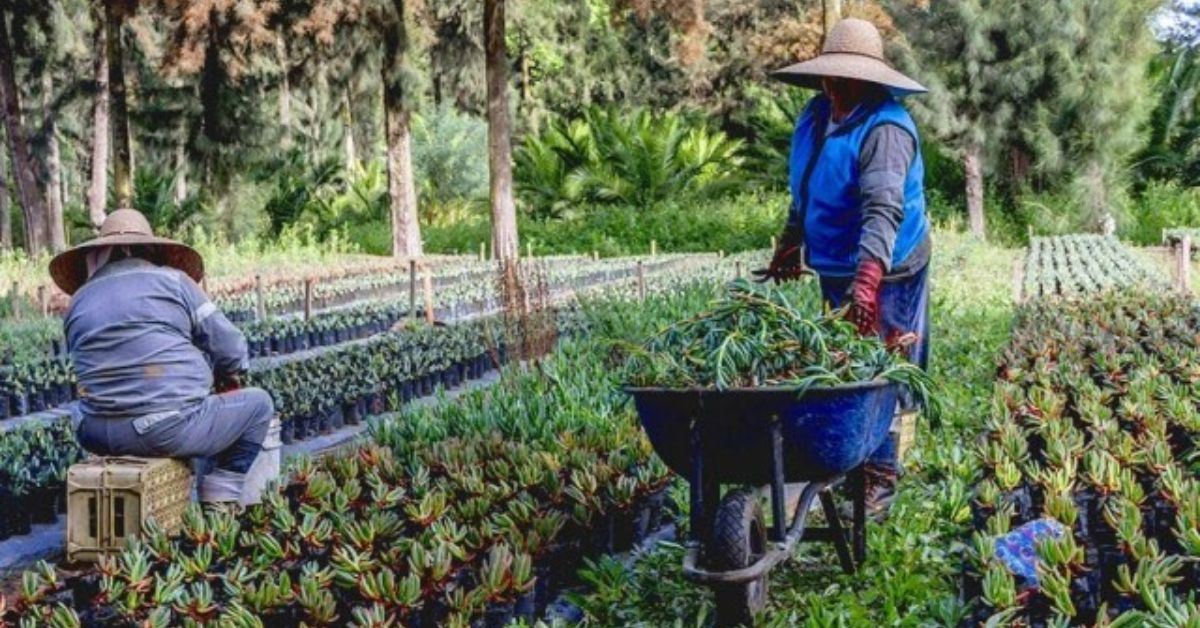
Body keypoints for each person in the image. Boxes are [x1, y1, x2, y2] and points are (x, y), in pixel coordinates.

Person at [761, 18, 932, 516]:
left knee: (882, 361)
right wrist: (791, 242)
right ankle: (850, 456)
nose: (833, 88)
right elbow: (806, 186)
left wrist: (867, 282)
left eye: (845, 80)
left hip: (889, 264)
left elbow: (882, 210)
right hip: (838, 262)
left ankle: (879, 475)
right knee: (842, 356)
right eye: (829, 79)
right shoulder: (816, 116)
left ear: (868, 80)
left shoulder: (886, 130)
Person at [50, 209, 280, 507]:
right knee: (259, 404)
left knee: (172, 407)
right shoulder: (174, 283)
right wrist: (230, 375)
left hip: (94, 431)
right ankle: (220, 495)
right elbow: (230, 345)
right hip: (161, 429)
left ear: (97, 256)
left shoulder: (78, 301)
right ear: (149, 248)